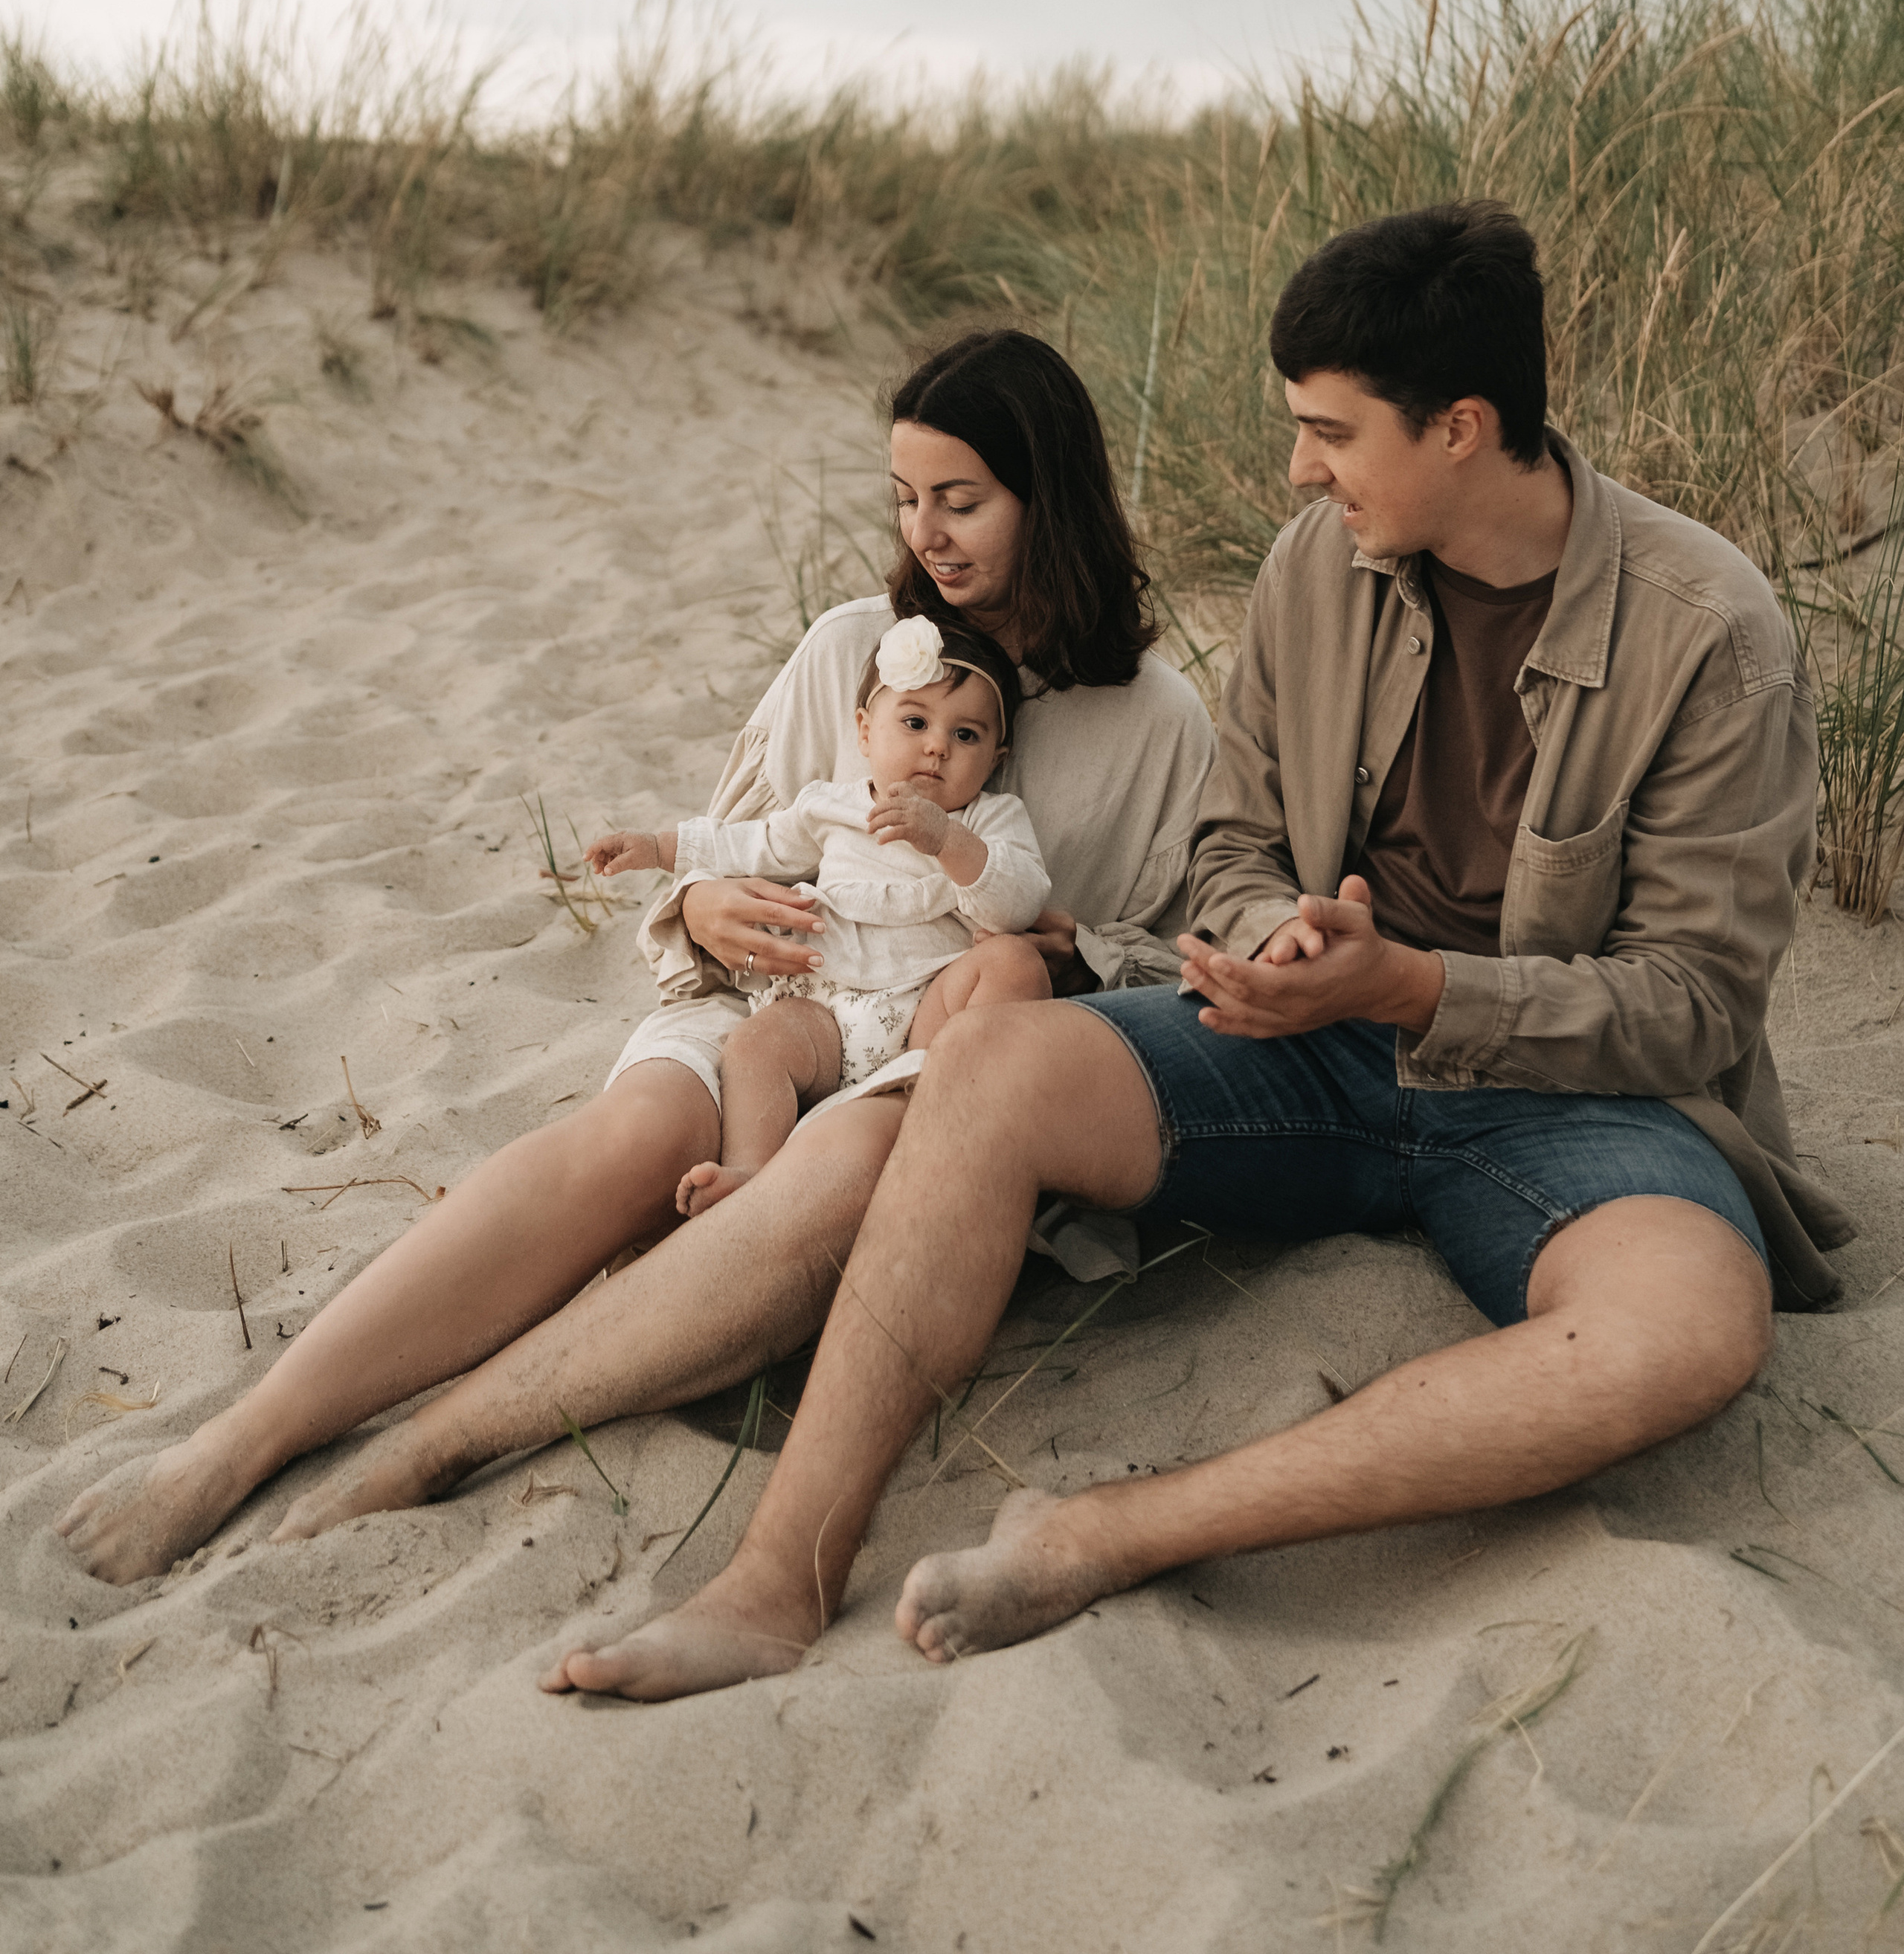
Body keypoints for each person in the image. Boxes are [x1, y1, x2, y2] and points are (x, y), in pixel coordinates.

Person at [542, 199, 1850, 1703]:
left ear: (1460, 428)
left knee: (1683, 1326)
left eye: (1325, 431)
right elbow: (1225, 852)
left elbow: (1689, 1007)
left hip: (1578, 1102)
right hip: (1302, 1045)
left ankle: (1109, 1529)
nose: (1296, 467)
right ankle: (776, 1577)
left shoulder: (1711, 631)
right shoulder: (1317, 566)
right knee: (988, 1058)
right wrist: (1276, 941)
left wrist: (1411, 982)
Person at [56, 329, 1214, 1584]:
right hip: (788, 998)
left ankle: (437, 1440)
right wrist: (709, 904)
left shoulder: (1156, 718)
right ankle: (245, 1435)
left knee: (834, 1165)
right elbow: (733, 849)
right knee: (638, 1130)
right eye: (905, 499)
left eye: (962, 500)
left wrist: (1072, 948)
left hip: (941, 1072)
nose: (927, 532)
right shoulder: (848, 649)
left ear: (1054, 496)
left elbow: (1176, 963)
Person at [594, 613, 1051, 1216]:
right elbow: (751, 844)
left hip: (928, 1013)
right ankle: (752, 1169)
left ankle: (943, 1120)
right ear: (865, 732)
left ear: (996, 756)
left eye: (966, 736)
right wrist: (659, 847)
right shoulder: (831, 806)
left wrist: (947, 842)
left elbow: (1018, 903)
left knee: (1013, 961)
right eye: (914, 722)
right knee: (756, 1044)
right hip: (826, 1010)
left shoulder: (989, 822)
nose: (937, 746)